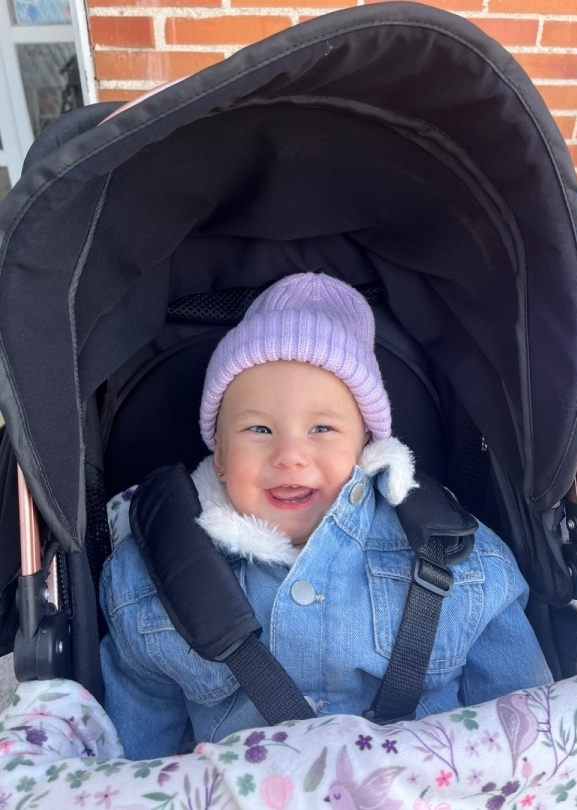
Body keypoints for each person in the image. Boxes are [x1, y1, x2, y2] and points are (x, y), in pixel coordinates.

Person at [100, 273, 553, 760]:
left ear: (365, 447)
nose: (290, 455)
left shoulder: (463, 564)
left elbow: (529, 737)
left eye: (322, 428)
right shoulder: (152, 583)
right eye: (259, 429)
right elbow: (136, 760)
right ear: (221, 458)